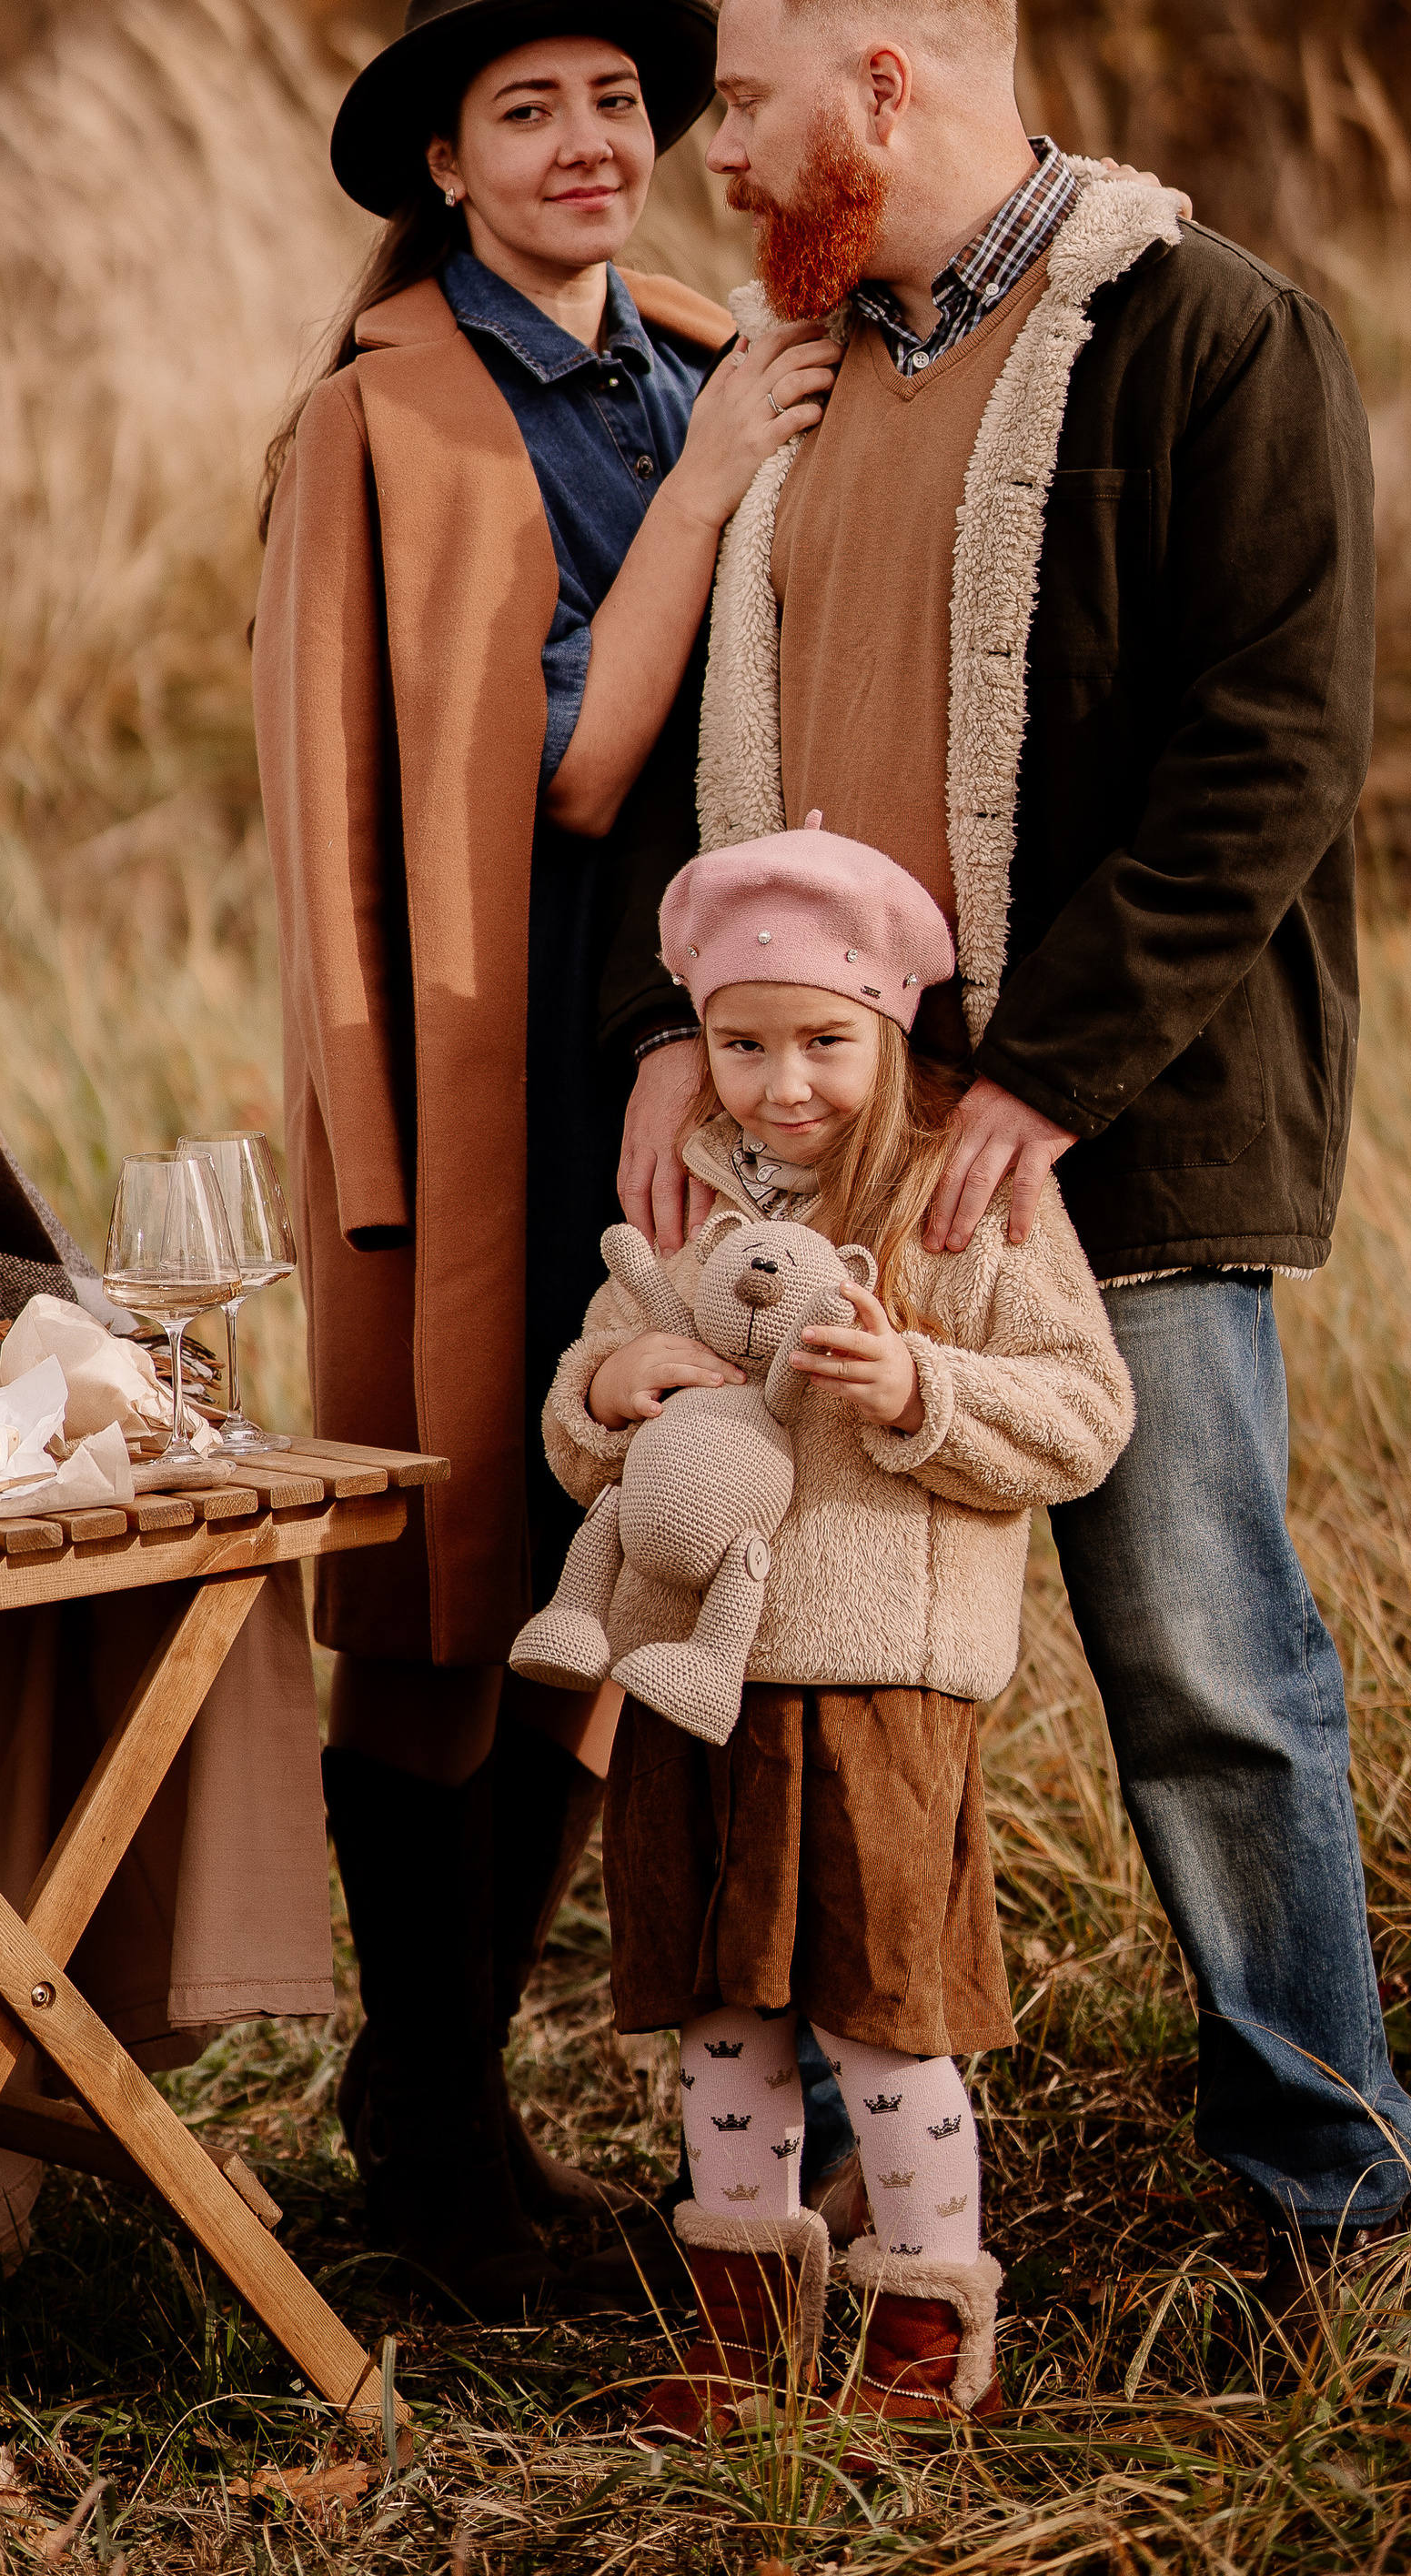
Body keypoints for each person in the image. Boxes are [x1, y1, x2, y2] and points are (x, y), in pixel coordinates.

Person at [606, 0, 1411, 2287]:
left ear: (893, 78)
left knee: (1202, 1668)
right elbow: (749, 808)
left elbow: (1279, 754)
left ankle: (1333, 2194)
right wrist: (685, 1023)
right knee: (822, 1667)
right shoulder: (807, 376)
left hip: (1105, 1142)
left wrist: (1037, 1076)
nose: (715, 157)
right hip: (818, 1163)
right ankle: (856, 2167)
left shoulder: (1207, 335)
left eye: (748, 102)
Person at [252, 0, 836, 2308]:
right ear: (440, 159)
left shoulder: (697, 354)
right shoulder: (382, 419)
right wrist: (702, 495)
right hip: (488, 1084)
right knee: (460, 1592)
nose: (591, 142)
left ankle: (440, 2101)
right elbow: (568, 764)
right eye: (530, 112)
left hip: (695, 1068)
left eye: (617, 98)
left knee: (625, 1566)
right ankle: (428, 2117)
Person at [538, 823, 1133, 2425]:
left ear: (889, 1029)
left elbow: (1084, 1412)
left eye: (823, 1042)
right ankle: (742, 2336)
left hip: (879, 1681)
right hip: (696, 1681)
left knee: (883, 2019)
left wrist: (924, 1386)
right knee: (725, 2019)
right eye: (741, 1042)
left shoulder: (962, 1192)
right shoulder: (693, 1199)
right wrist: (607, 1388)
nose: (781, 1082)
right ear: (701, 1037)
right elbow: (584, 1401)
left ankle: (929, 2348)